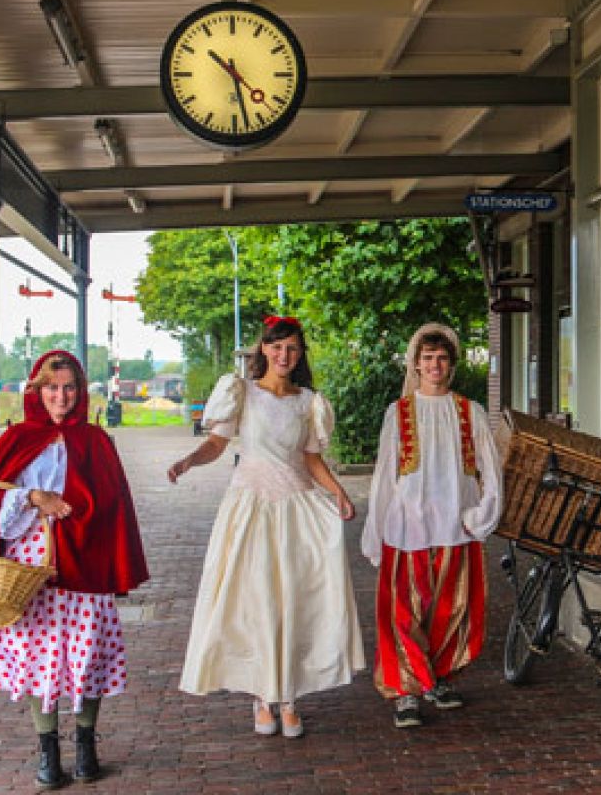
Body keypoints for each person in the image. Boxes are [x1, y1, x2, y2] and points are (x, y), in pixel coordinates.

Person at [0, 350, 148, 789]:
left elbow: (115, 504)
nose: (60, 397)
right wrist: (32, 498)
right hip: (32, 567)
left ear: (79, 392)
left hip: (87, 560)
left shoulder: (97, 441)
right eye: (51, 388)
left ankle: (86, 746)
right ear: (37, 391)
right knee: (38, 657)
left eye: (68, 388)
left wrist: (90, 526)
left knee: (89, 654)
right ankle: (47, 751)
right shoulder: (17, 439)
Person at [170, 315, 364, 738]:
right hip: (250, 510)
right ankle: (262, 695)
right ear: (264, 349)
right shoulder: (242, 394)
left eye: (292, 348)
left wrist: (338, 493)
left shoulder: (308, 402)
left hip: (295, 508)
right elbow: (217, 444)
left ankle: (289, 696)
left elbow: (312, 459)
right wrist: (188, 461)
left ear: (300, 354)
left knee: (295, 598)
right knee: (255, 601)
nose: (284, 355)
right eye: (276, 347)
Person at [362, 323, 502, 728]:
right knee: (402, 612)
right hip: (407, 528)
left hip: (455, 526)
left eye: (441, 358)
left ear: (451, 364)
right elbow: (385, 476)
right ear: (416, 364)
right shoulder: (399, 412)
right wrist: (377, 527)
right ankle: (405, 691)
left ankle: (436, 679)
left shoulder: (469, 411)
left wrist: (483, 514)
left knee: (449, 611)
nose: (434, 365)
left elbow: (490, 470)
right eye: (427, 359)